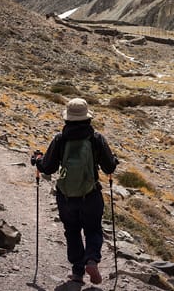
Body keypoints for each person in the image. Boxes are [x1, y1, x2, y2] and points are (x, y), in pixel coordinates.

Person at [35, 97, 118, 285]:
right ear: (87, 117)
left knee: (72, 231)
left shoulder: (60, 139)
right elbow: (109, 168)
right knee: (93, 230)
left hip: (66, 197)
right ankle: (92, 260)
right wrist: (114, 160)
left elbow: (48, 168)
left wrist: (37, 161)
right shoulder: (96, 138)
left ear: (67, 118)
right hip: (91, 195)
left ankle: (78, 272)